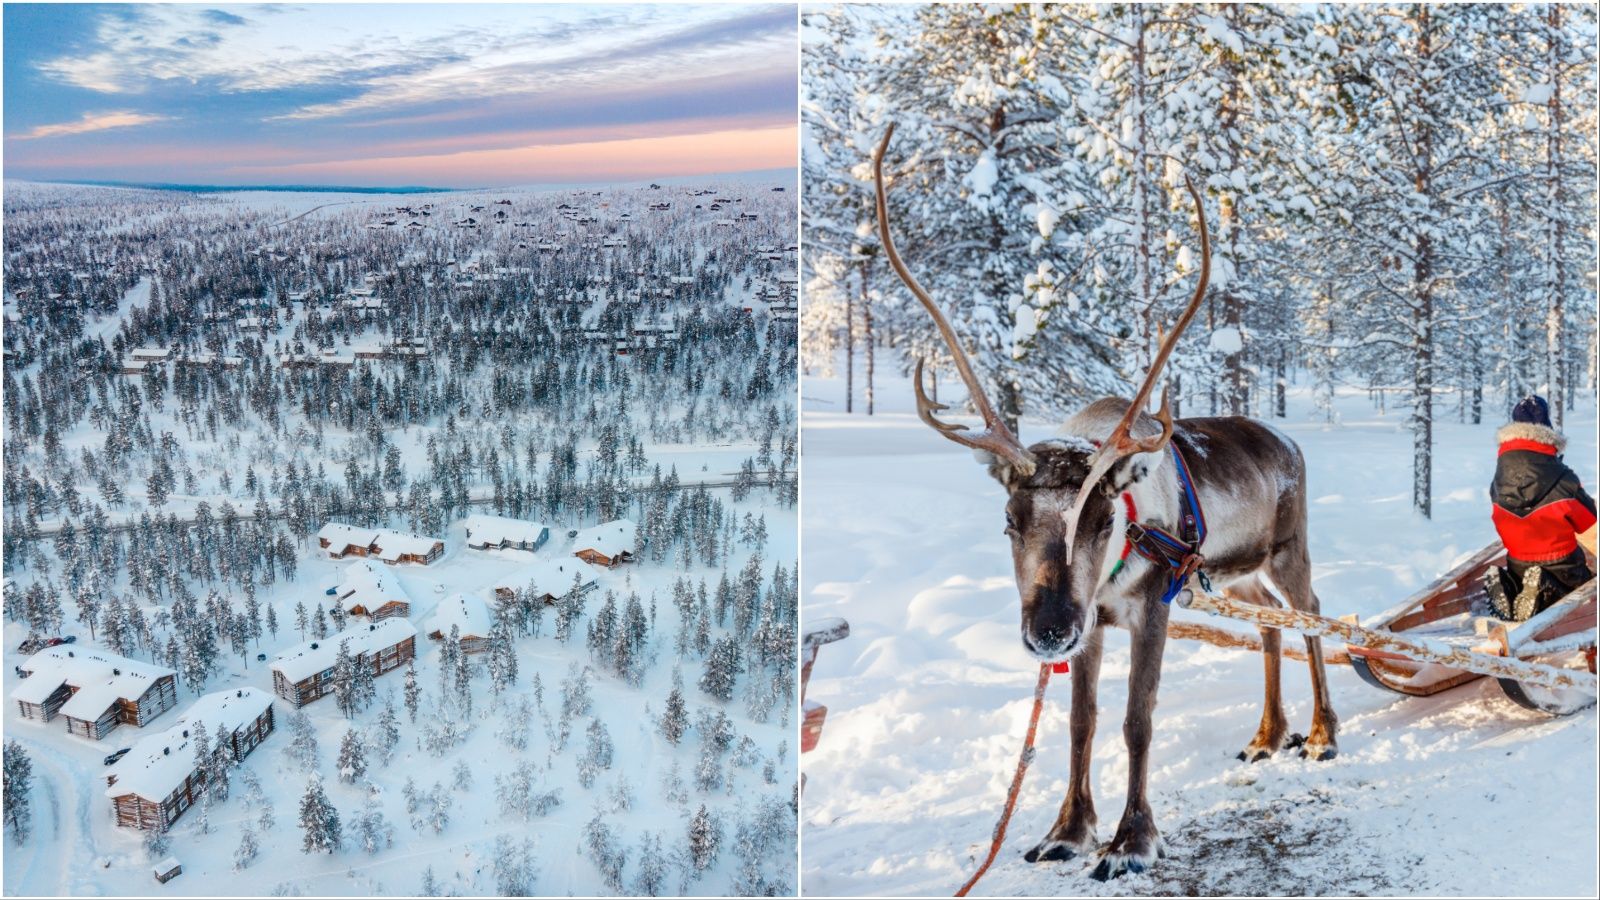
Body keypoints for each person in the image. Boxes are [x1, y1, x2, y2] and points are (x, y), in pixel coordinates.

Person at [1483, 395, 1597, 620]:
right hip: (1563, 564)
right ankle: (1543, 589)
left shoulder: (1499, 480)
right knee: (1582, 591)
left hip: (1517, 562)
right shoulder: (1563, 478)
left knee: (1523, 573)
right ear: (1548, 432)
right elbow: (1588, 521)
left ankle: (1511, 587)